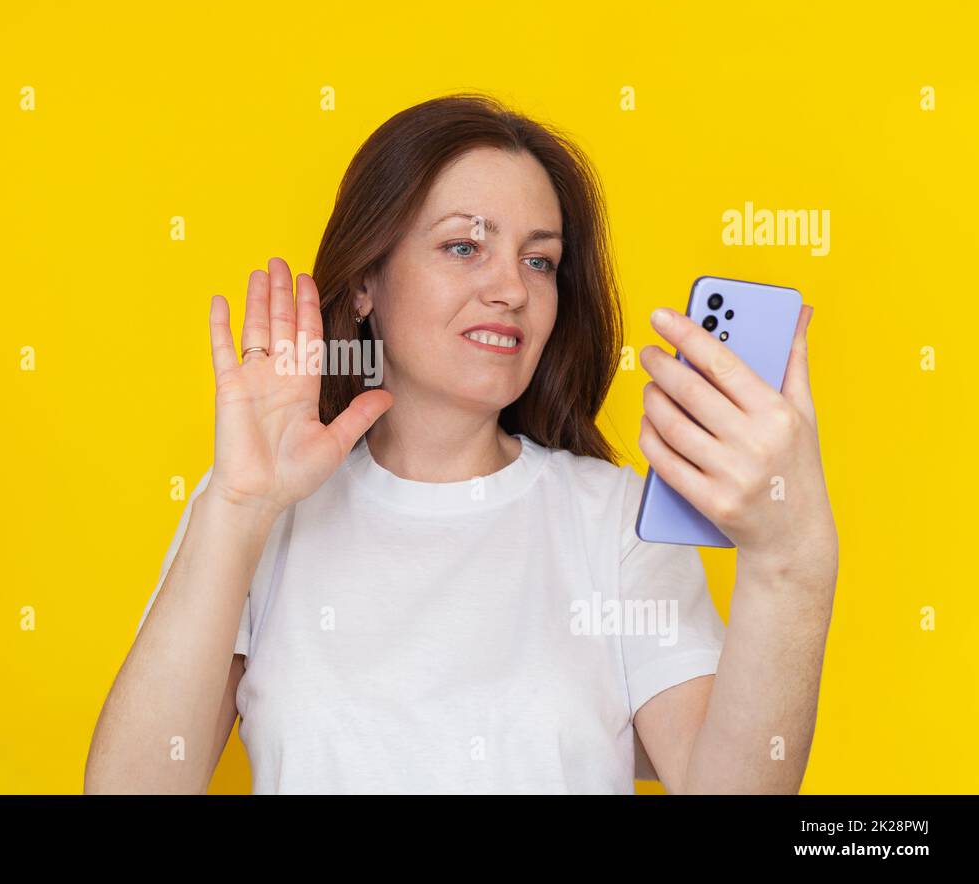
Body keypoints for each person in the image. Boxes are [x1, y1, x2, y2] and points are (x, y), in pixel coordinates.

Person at [84, 93, 838, 794]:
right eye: (463, 248)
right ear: (364, 283)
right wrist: (239, 505)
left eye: (539, 261)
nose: (511, 288)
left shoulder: (616, 523)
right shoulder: (259, 516)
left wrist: (789, 562)